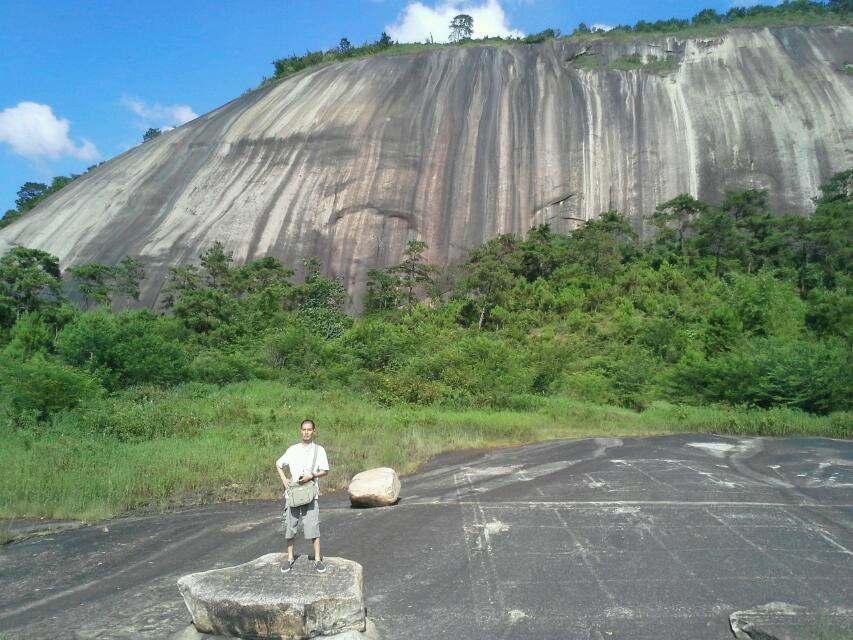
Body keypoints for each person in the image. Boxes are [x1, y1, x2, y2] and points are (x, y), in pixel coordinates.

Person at [275, 419, 330, 573]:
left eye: (309, 429)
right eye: (304, 429)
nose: (306, 432)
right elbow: (278, 464)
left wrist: (311, 475)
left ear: (314, 431)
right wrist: (284, 479)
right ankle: (290, 558)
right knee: (290, 526)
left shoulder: (319, 450)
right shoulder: (292, 449)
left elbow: (325, 470)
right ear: (300, 431)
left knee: (313, 526)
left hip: (310, 494)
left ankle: (317, 559)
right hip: (292, 494)